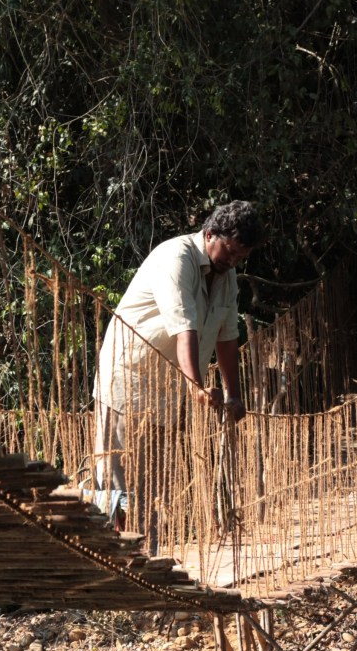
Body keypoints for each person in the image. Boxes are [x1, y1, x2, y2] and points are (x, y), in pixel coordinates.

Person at [91, 200, 265, 546]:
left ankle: (145, 564)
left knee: (155, 487)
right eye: (229, 252)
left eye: (240, 258)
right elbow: (183, 327)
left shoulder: (226, 278)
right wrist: (197, 387)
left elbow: (227, 336)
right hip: (130, 382)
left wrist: (233, 394)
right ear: (210, 233)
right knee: (116, 484)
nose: (232, 262)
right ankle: (107, 564)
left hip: (171, 395)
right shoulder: (177, 258)